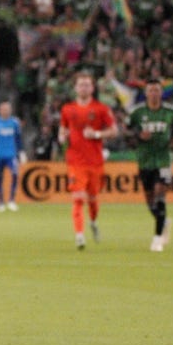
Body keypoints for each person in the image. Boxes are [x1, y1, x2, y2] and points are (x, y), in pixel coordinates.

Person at [58, 71, 118, 249]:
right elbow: (62, 131)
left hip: (95, 161)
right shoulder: (67, 109)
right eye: (81, 84)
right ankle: (79, 235)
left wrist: (97, 133)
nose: (83, 87)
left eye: (87, 84)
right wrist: (62, 137)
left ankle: (92, 222)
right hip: (75, 161)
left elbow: (114, 131)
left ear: (92, 88)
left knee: (93, 199)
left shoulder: (101, 109)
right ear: (75, 88)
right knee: (78, 198)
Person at [127, 80, 173, 251]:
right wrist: (138, 135)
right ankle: (163, 221)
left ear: (161, 93)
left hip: (164, 158)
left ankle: (157, 238)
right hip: (145, 159)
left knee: (160, 195)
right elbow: (127, 130)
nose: (153, 93)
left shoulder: (170, 112)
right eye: (150, 90)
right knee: (150, 200)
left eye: (156, 90)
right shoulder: (137, 112)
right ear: (146, 93)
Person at [0, 100, 25, 211]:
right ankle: (1, 202)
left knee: (15, 174)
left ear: (10, 110)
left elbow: (18, 139)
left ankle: (11, 200)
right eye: (4, 109)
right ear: (0, 110)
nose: (6, 111)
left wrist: (21, 152)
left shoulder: (15, 122)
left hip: (11, 155)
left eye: (8, 109)